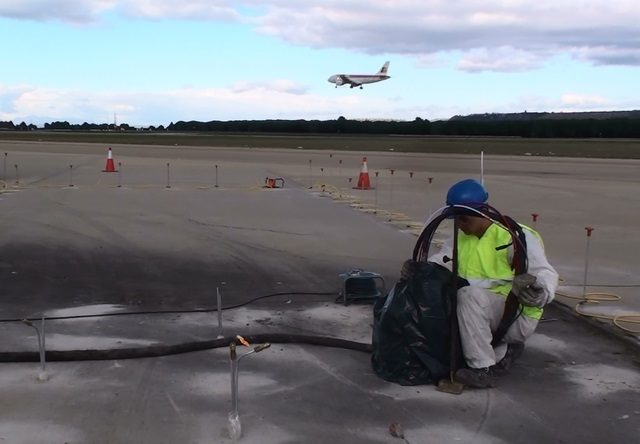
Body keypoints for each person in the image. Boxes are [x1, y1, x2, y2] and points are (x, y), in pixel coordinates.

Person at [402, 178, 559, 388]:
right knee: (442, 298)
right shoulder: (461, 237)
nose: (460, 225)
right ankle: (503, 350)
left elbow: (545, 273)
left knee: (468, 296)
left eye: (465, 219)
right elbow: (441, 262)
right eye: (457, 220)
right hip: (481, 313)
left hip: (515, 315)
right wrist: (420, 271)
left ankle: (481, 368)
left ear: (482, 213)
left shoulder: (515, 237)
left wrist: (541, 293)